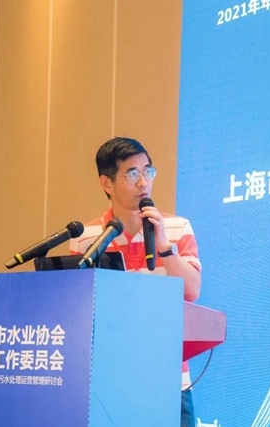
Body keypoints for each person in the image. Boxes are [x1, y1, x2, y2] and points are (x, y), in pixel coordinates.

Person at [69, 136, 201, 427]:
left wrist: (164, 246)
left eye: (148, 171)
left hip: (168, 382)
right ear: (106, 183)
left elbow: (192, 290)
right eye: (132, 174)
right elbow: (77, 311)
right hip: (106, 381)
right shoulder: (86, 239)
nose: (144, 182)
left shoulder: (177, 228)